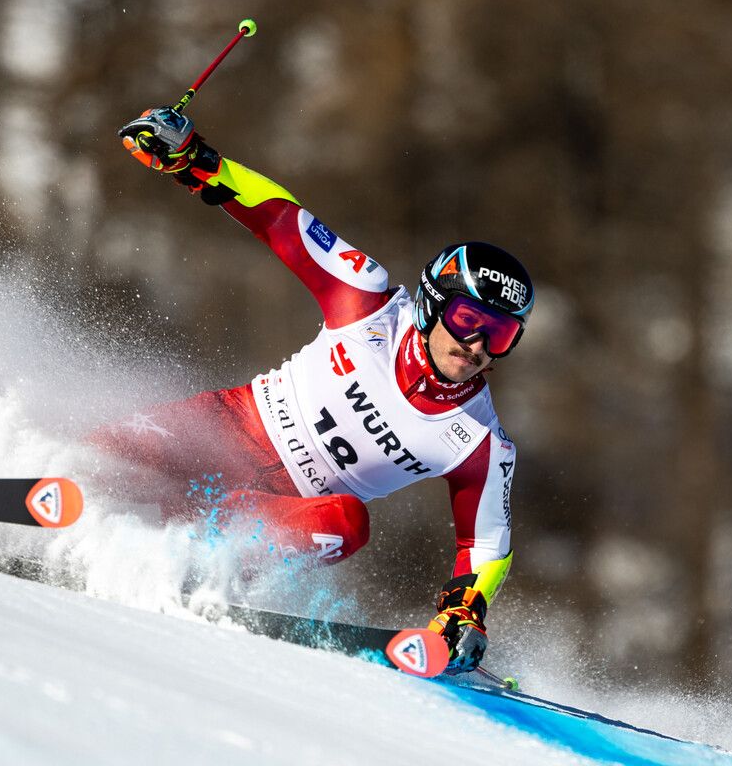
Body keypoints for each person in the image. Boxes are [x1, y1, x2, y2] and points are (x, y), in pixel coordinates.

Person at [94, 106, 536, 674]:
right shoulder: (369, 301)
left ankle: (185, 559)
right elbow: (281, 220)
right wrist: (194, 161)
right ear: (432, 303)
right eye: (468, 318)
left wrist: (464, 613)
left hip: (277, 513)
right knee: (90, 460)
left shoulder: (480, 441)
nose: (476, 344)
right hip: (227, 429)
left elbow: (484, 548)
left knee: (347, 524)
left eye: (499, 333)